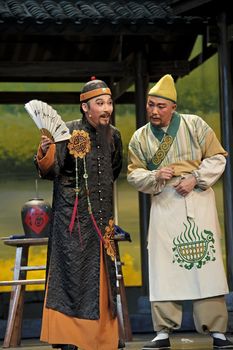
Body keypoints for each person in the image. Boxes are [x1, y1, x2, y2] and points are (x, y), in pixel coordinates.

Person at [127, 74, 233, 350]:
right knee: (164, 266)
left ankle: (217, 330)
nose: (154, 111)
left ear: (173, 107)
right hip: (164, 202)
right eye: (151, 105)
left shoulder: (194, 125)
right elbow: (134, 175)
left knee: (205, 264)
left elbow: (218, 156)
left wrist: (195, 178)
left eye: (161, 106)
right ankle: (163, 330)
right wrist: (154, 175)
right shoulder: (140, 138)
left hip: (197, 198)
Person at [35, 79, 124, 350]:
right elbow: (50, 171)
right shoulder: (69, 132)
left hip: (101, 219)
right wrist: (45, 150)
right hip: (71, 220)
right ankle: (67, 337)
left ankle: (103, 338)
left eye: (109, 102)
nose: (106, 108)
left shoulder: (114, 135)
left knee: (102, 279)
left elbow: (115, 169)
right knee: (70, 277)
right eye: (100, 103)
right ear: (85, 107)